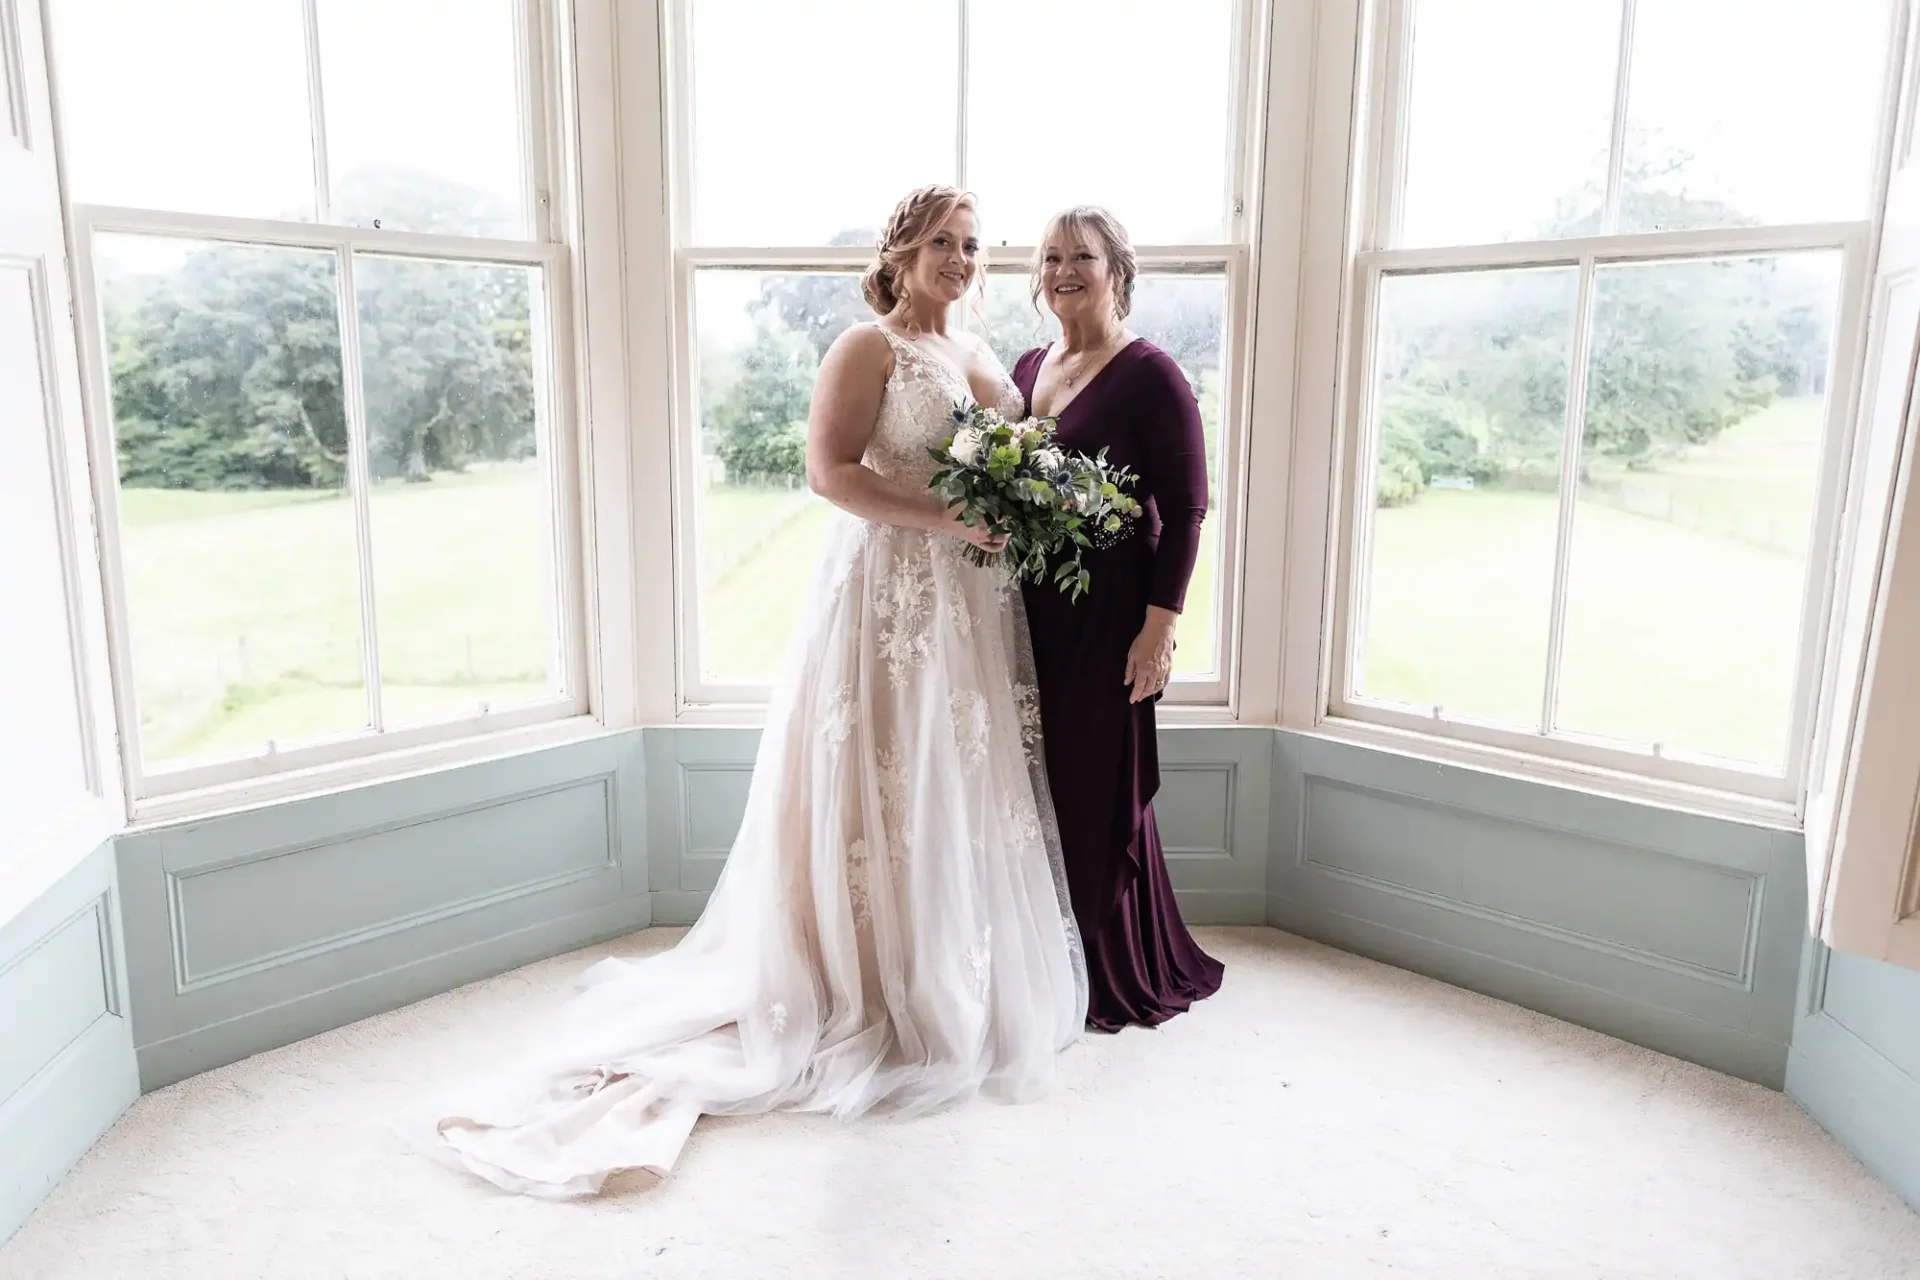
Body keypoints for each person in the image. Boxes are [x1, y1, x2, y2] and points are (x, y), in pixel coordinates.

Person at [422, 185, 1086, 1197]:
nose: (959, 258)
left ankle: (943, 972)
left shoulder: (987, 356)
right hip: (888, 593)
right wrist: (946, 519)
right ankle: (859, 981)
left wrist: (1023, 495)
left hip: (968, 605)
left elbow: (1010, 457)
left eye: (971, 244)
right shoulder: (868, 348)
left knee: (951, 781)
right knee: (880, 778)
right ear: (901, 253)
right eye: (940, 242)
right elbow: (829, 472)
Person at [1010, 205, 1224, 1032]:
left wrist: (1159, 628)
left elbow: (1188, 508)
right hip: (1032, 612)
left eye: (1083, 257)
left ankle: (1108, 967)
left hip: (1110, 621)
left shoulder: (1151, 374)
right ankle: (1043, 958)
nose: (1065, 270)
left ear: (1118, 272)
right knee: (1036, 786)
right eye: (1052, 257)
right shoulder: (1031, 364)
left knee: (1095, 784)